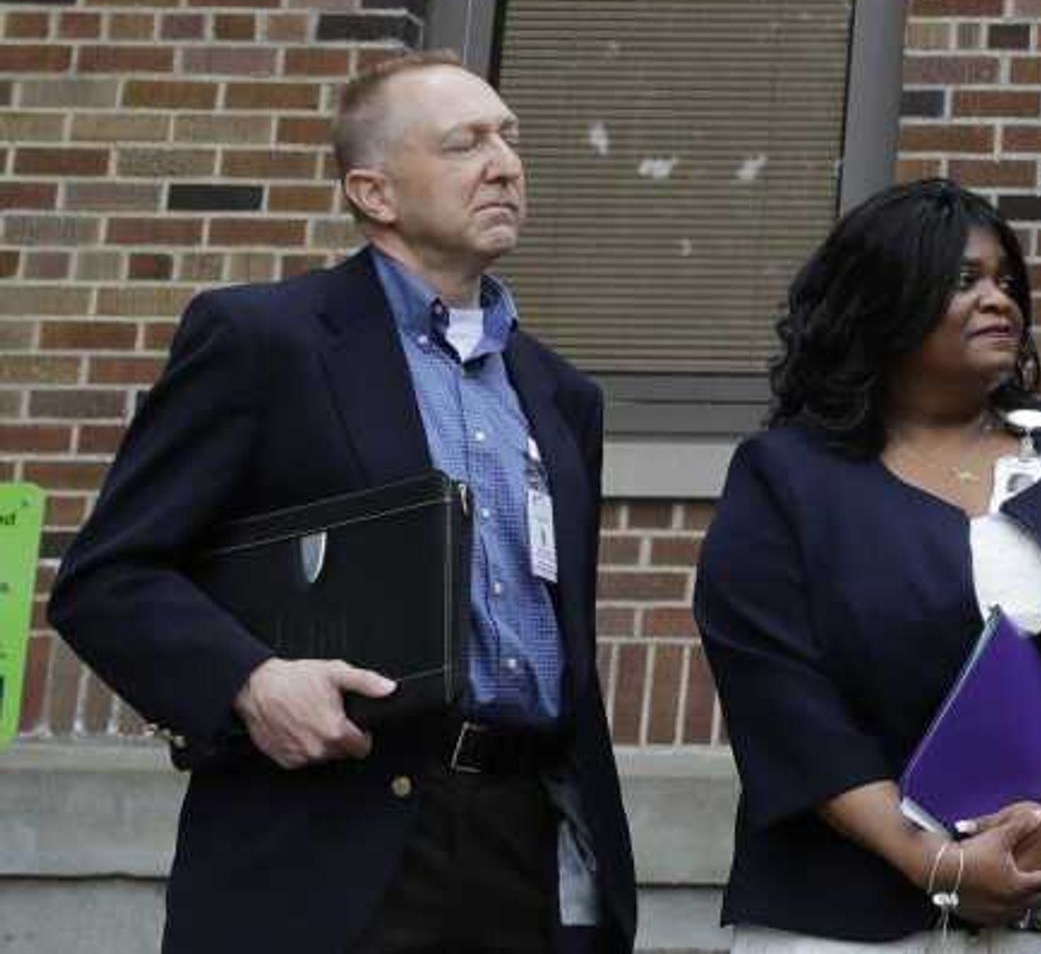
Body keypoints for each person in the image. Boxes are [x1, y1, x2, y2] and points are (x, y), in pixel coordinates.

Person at [50, 51, 639, 954]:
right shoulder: (264, 342)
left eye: (510, 140)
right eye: (464, 143)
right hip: (334, 840)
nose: (505, 164)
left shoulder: (560, 395)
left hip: (525, 845)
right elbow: (109, 578)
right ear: (374, 193)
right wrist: (249, 681)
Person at [694, 179, 1041, 952]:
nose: (998, 299)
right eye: (963, 281)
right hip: (845, 911)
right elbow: (781, 693)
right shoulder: (787, 477)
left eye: (1005, 280)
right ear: (880, 304)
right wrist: (933, 861)